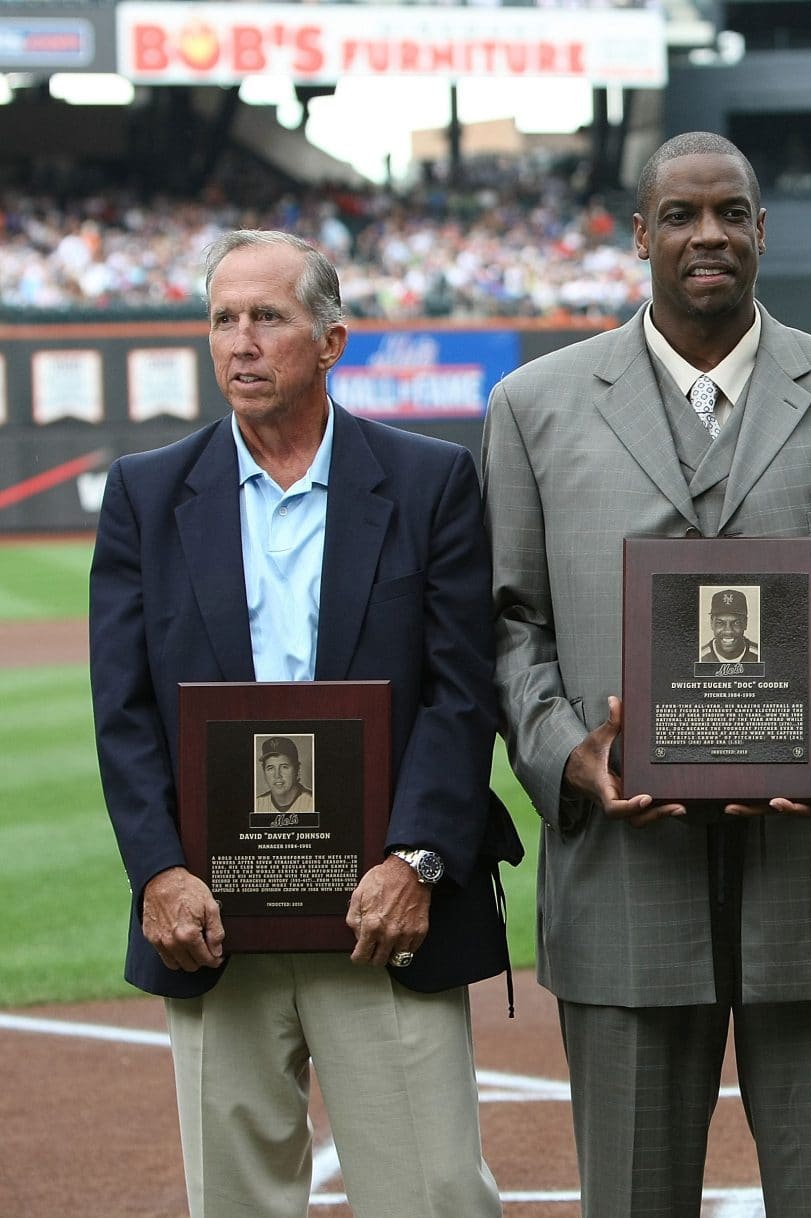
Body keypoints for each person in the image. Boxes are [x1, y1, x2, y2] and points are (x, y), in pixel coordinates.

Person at [483, 131, 811, 1216]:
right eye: (682, 216)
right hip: (624, 884)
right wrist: (567, 755)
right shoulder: (535, 408)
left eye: (730, 214)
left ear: (759, 232)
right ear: (639, 234)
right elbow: (511, 625)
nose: (708, 235)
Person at [88, 229, 521, 1218]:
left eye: (266, 318)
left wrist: (415, 862)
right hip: (213, 918)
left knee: (434, 1194)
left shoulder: (428, 483)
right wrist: (157, 870)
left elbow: (463, 692)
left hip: (385, 913)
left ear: (330, 342)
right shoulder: (146, 497)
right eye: (222, 319)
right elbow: (124, 710)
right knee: (235, 1201)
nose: (241, 342)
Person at [254, 736, 314, 815]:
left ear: (297, 770)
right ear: (264, 772)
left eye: (284, 767)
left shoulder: (312, 802)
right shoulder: (257, 804)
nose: (277, 775)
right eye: (270, 768)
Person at [700, 587, 762, 662]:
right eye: (720, 623)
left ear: (745, 623)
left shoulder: (760, 656)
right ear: (711, 623)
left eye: (736, 623)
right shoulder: (700, 657)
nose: (728, 631)